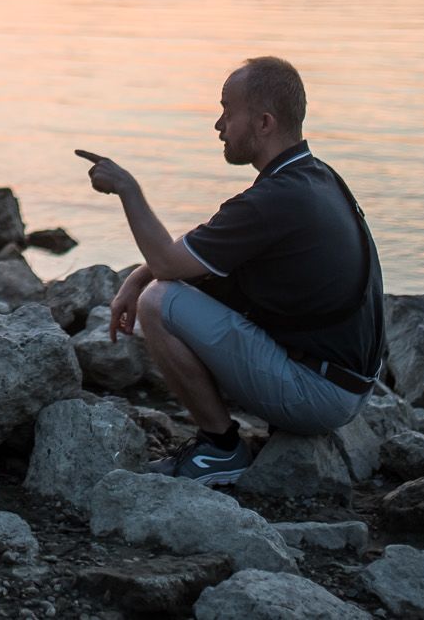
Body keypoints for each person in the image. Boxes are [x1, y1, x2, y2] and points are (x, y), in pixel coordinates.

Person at [79, 56, 385, 484]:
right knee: (174, 285)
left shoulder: (274, 200)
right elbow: (199, 248)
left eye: (227, 110)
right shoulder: (315, 178)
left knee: (159, 302)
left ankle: (220, 448)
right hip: (350, 385)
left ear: (263, 122)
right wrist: (137, 274)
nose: (218, 125)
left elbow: (169, 261)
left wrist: (127, 189)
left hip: (320, 397)